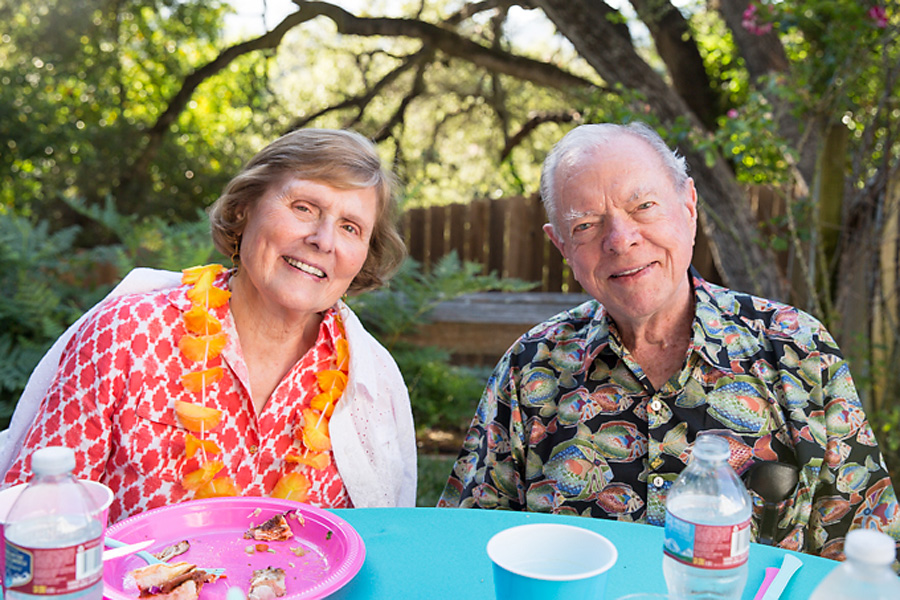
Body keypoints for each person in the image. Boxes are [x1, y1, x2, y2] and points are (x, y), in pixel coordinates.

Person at [438, 122, 900, 559]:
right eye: (586, 225)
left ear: (689, 205)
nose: (620, 240)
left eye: (643, 206)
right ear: (561, 245)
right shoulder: (529, 369)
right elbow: (465, 548)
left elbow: (867, 552)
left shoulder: (798, 350)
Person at [2, 128, 417, 522]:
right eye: (304, 208)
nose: (324, 240)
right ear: (244, 209)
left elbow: (386, 546)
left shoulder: (371, 384)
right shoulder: (124, 335)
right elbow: (35, 528)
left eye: (350, 227)